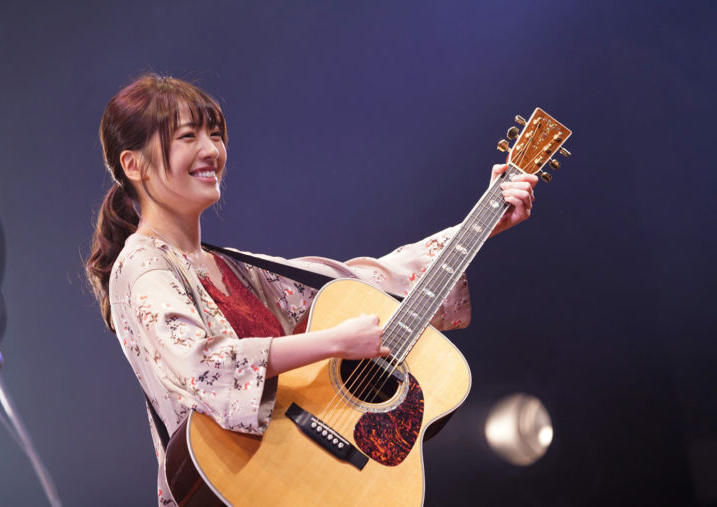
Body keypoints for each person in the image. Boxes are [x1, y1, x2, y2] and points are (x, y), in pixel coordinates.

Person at [85, 74, 537, 505]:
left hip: (289, 473)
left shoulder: (232, 267)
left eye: (215, 135)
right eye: (188, 137)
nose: (211, 150)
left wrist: (480, 224)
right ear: (134, 164)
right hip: (240, 484)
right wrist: (335, 342)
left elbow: (364, 283)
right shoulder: (142, 263)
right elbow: (205, 367)